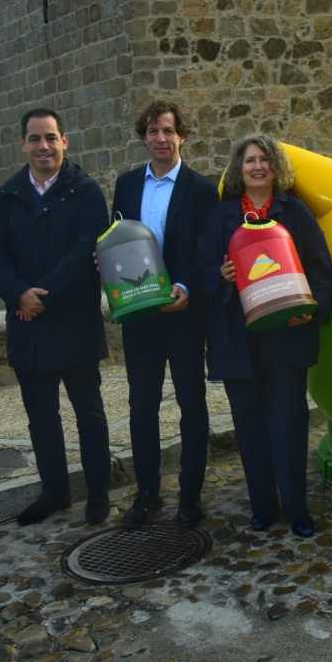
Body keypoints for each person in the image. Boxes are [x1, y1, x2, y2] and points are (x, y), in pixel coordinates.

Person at [197, 135, 332, 537]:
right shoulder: (221, 217)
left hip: (287, 338)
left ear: (276, 168)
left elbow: (322, 270)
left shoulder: (297, 213)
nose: (257, 167)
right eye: (249, 161)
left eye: (264, 160)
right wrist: (218, 277)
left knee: (289, 425)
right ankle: (262, 507)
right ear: (238, 170)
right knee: (250, 427)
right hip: (236, 340)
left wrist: (308, 314)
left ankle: (297, 509)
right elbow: (200, 267)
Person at [0, 108, 112, 526]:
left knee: (88, 413)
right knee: (41, 416)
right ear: (22, 144)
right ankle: (54, 492)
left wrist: (44, 295)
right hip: (27, 325)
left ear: (64, 142)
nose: (44, 146)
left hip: (73, 322)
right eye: (35, 139)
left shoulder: (87, 192)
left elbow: (84, 252)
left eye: (51, 138)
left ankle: (98, 493)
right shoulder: (7, 197)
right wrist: (18, 293)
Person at [111, 102, 217, 528]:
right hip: (140, 317)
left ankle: (190, 498)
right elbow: (117, 241)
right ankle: (148, 495)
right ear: (144, 136)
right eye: (153, 130)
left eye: (168, 130)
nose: (160, 138)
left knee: (192, 406)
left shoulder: (200, 189)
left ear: (182, 136)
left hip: (184, 314)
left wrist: (188, 287)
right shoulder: (126, 186)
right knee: (142, 407)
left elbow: (207, 251)